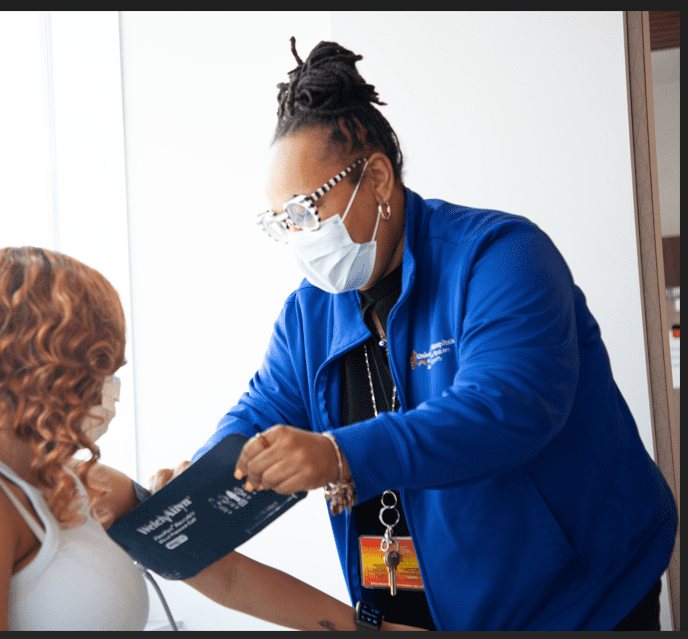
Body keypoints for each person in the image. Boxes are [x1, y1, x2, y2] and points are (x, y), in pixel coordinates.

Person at [152, 38, 677, 631]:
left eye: (306, 212)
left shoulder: (499, 257)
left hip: (580, 602)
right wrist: (198, 483)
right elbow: (258, 417)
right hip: (414, 614)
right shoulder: (309, 315)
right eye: (282, 224)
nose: (299, 240)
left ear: (375, 178)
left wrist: (337, 453)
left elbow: (507, 410)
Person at [0, 246, 416, 631]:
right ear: (35, 366)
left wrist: (370, 629)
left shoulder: (87, 486)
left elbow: (225, 577)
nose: (110, 391)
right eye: (96, 367)